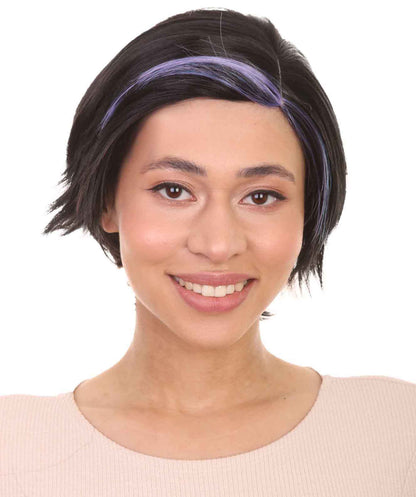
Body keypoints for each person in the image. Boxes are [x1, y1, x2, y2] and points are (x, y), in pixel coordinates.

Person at [1, 8, 415, 496]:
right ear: (107, 202)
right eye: (174, 190)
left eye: (261, 196)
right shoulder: (14, 444)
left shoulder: (397, 432)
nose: (218, 245)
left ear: (308, 211)